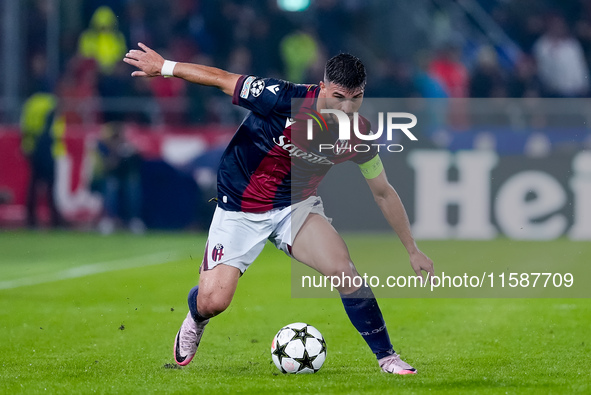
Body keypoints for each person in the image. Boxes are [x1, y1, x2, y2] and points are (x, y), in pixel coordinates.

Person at [124, 43, 434, 374]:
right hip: (241, 205)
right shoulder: (283, 98)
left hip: (296, 206)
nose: (347, 107)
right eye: (339, 97)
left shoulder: (358, 134)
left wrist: (412, 249)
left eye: (355, 98)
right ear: (323, 86)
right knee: (214, 301)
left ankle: (387, 357)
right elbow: (222, 78)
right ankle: (196, 313)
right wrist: (166, 67)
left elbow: (383, 192)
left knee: (345, 272)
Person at [20, 92, 67, 229]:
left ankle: (31, 219)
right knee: (50, 186)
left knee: (33, 185)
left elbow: (24, 126)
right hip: (48, 150)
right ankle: (54, 219)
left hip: (33, 148)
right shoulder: (51, 103)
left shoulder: (30, 103)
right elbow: (52, 130)